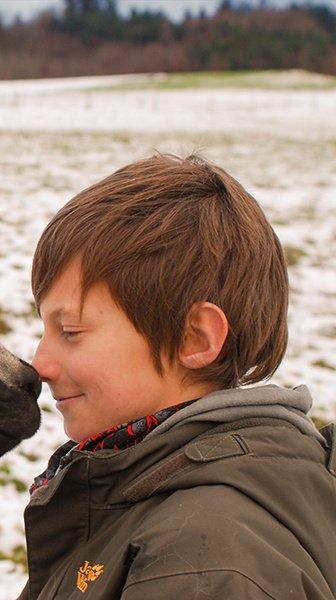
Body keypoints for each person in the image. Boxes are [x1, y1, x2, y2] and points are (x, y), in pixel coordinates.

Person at [18, 154, 335, 599]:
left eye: (71, 331)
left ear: (195, 338)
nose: (40, 363)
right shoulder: (155, 493)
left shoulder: (205, 562)